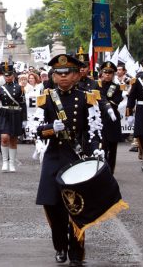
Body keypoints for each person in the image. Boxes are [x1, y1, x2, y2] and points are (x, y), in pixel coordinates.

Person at [35, 54, 103, 267]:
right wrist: (48, 129)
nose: (63, 77)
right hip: (54, 155)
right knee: (50, 203)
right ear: (53, 76)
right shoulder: (46, 98)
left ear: (76, 75)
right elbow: (33, 128)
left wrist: (97, 152)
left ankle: (76, 251)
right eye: (59, 73)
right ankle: (60, 245)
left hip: (76, 157)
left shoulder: (87, 97)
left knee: (76, 206)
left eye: (68, 73)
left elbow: (94, 130)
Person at [0, 62, 26, 172]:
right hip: (4, 114)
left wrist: (25, 119)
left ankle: (12, 163)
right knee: (4, 138)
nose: (8, 77)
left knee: (13, 140)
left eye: (9, 75)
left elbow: (23, 104)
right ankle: (5, 161)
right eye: (6, 75)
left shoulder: (20, 88)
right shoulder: (0, 89)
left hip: (16, 114)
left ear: (13, 75)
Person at [96, 61, 122, 174]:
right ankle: (102, 170)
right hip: (100, 119)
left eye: (110, 73)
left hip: (112, 120)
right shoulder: (96, 85)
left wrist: (104, 100)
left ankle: (110, 171)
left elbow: (115, 101)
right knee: (102, 147)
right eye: (105, 72)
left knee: (112, 148)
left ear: (113, 74)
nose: (107, 75)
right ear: (102, 73)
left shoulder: (115, 87)